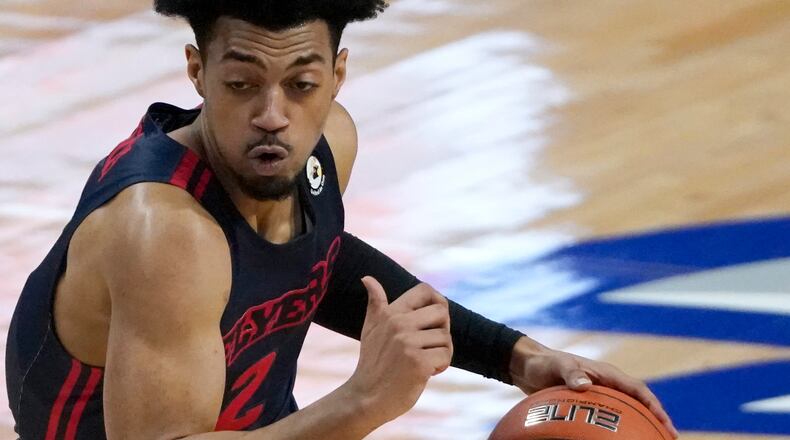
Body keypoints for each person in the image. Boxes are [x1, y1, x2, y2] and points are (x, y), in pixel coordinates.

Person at [5, 1, 678, 439]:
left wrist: (519, 357)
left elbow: (319, 260)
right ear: (197, 72)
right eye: (242, 85)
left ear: (337, 75)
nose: (273, 113)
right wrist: (361, 402)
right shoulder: (164, 233)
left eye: (301, 84)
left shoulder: (326, 148)